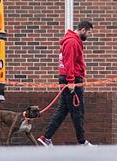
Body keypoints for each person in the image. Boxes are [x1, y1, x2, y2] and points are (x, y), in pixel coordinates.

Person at [37, 19, 93, 147]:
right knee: (78, 111)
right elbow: (69, 63)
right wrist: (71, 81)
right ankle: (82, 142)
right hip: (71, 81)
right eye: (89, 33)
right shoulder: (72, 42)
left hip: (71, 79)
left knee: (63, 111)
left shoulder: (73, 41)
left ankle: (46, 138)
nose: (89, 35)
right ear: (83, 30)